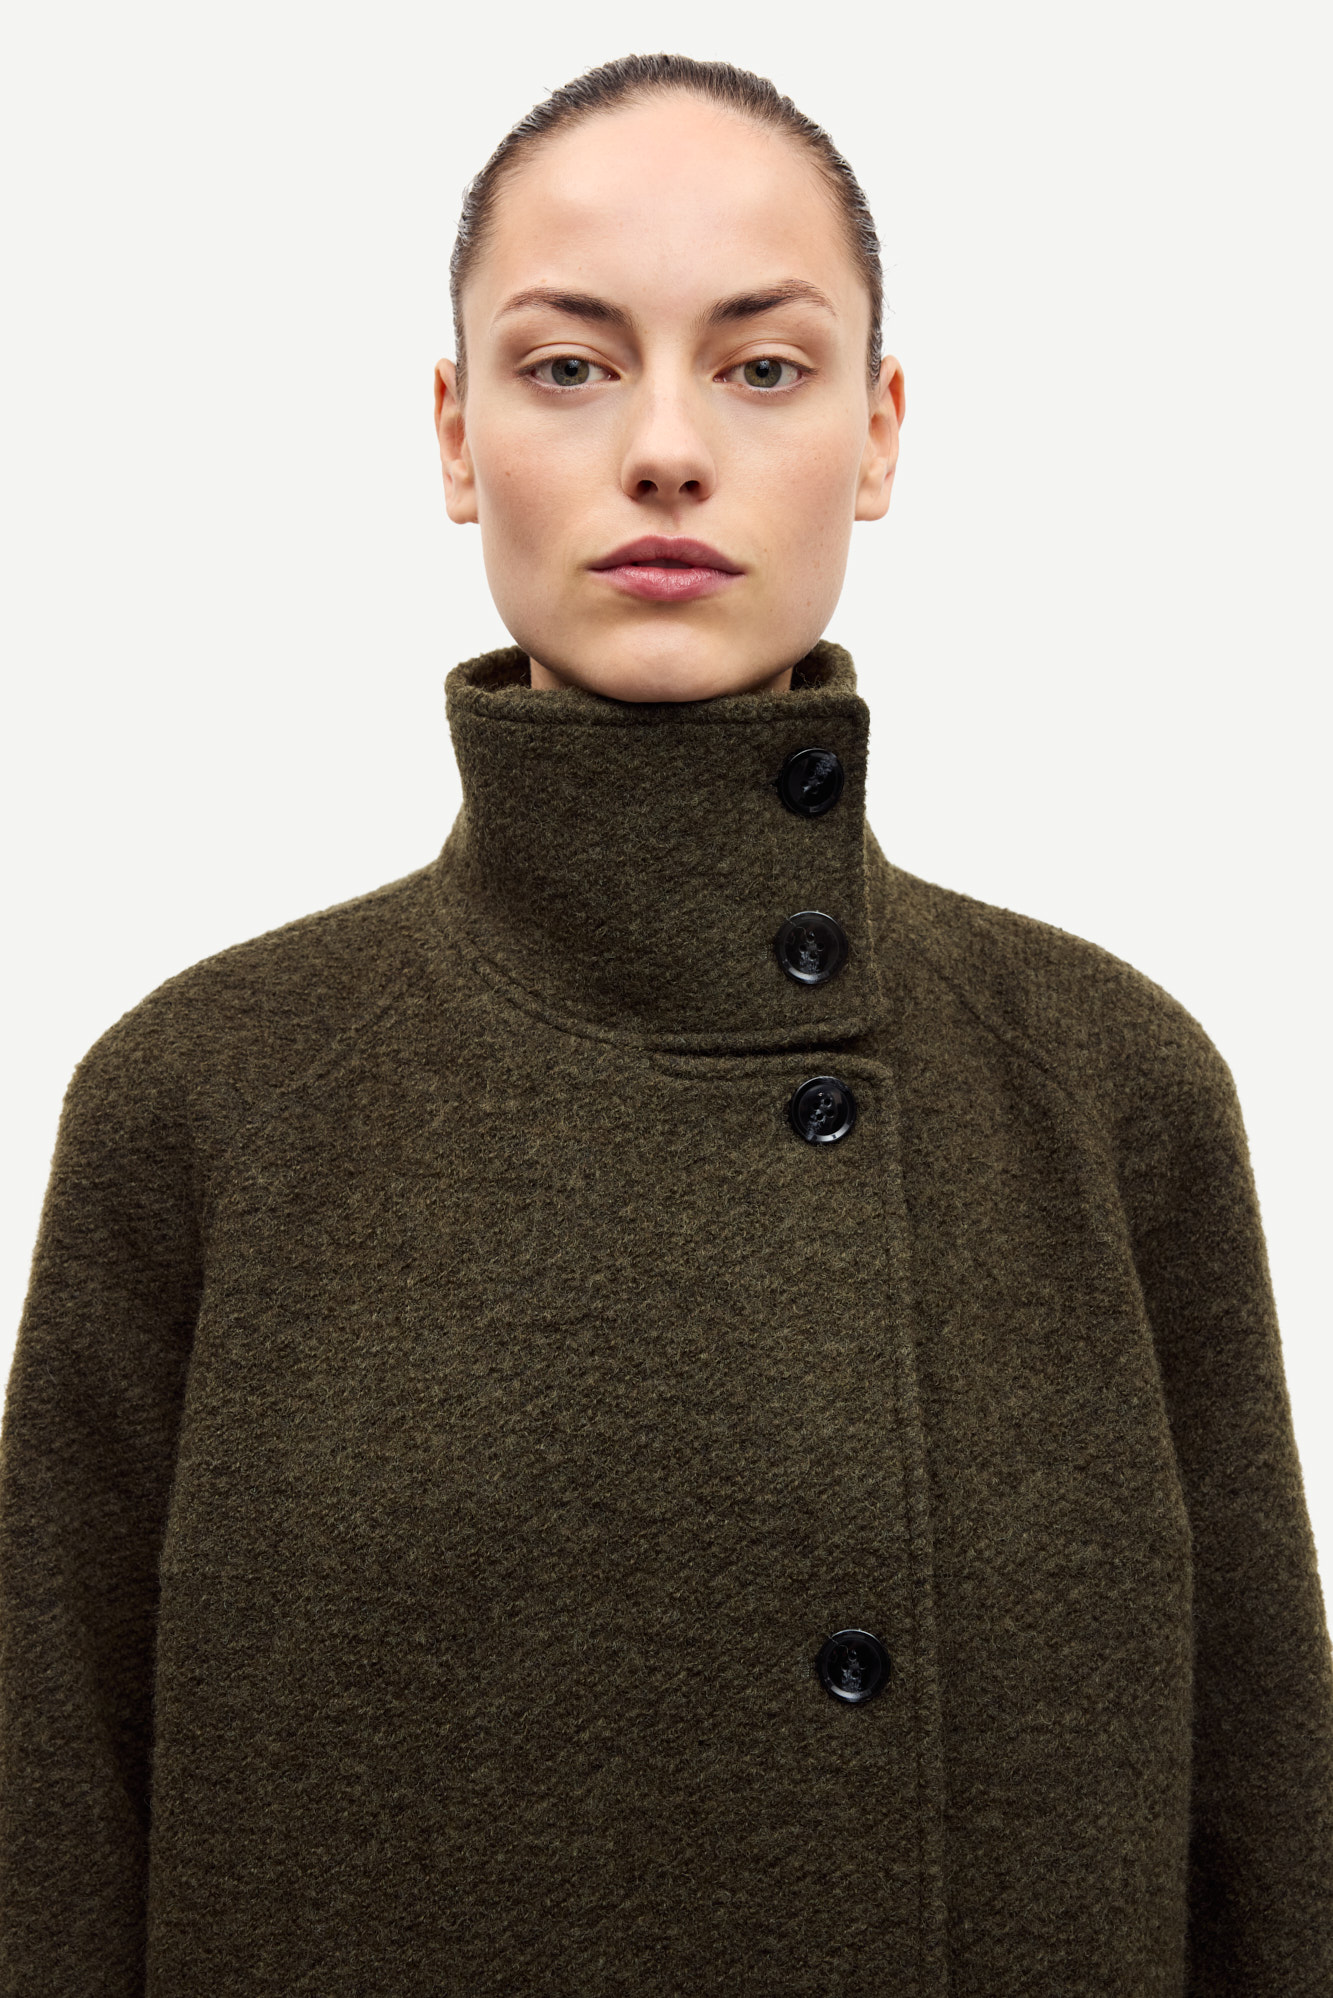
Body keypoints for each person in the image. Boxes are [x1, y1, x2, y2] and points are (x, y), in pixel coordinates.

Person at [1, 50, 1329, 1997]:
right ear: (455, 435)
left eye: (763, 366)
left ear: (877, 434)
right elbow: (47, 1855)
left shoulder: (1107, 1092)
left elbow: (1267, 1871)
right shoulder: (204, 1101)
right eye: (567, 365)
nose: (666, 449)